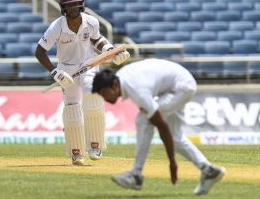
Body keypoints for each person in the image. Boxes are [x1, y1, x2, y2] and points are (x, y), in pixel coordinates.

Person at [92, 58, 226, 195]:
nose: (106, 99)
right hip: (178, 84)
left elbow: (161, 126)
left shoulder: (137, 90)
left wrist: (172, 162)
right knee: (175, 138)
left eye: (105, 93)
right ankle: (208, 170)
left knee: (144, 120)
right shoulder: (121, 79)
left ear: (114, 85)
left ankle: (136, 175)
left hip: (180, 87)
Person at [35, 0, 130, 166]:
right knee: (72, 108)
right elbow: (39, 52)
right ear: (63, 8)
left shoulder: (91, 21)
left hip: (89, 64)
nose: (73, 9)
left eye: (76, 5)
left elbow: (98, 40)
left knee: (92, 94)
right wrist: (55, 73)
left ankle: (95, 145)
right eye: (69, 6)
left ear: (81, 5)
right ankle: (76, 152)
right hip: (66, 70)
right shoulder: (56, 26)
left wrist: (110, 50)